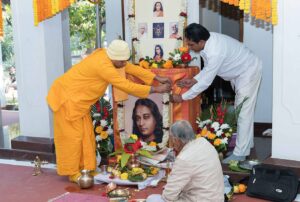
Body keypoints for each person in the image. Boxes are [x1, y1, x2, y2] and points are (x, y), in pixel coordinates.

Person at [47, 40, 172, 183]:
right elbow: (125, 85)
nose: (124, 64)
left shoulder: (109, 57)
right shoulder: (103, 66)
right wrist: (156, 89)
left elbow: (129, 67)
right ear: (114, 58)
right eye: (122, 61)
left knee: (86, 136)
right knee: (73, 138)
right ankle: (73, 172)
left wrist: (157, 77)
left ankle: (86, 168)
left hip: (78, 102)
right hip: (67, 99)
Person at [170, 23, 262, 163]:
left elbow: (206, 81)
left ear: (201, 42)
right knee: (242, 111)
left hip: (248, 70)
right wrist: (194, 80)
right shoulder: (207, 41)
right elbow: (208, 69)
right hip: (238, 72)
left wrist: (182, 97)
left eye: (191, 44)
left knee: (243, 111)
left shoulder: (215, 51)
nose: (189, 48)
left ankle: (240, 154)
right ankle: (247, 145)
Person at [147, 120, 224, 202]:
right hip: (217, 198)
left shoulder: (184, 159)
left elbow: (168, 196)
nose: (172, 142)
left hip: (199, 199)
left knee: (151, 199)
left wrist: (171, 189)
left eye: (171, 138)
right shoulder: (204, 143)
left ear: (176, 140)